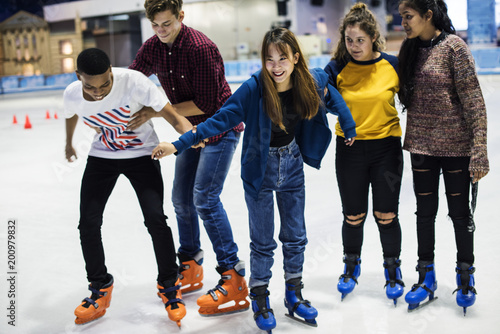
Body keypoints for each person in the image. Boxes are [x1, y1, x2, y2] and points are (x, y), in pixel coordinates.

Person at [151, 27, 357, 332]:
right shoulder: (255, 87)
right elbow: (220, 119)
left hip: (292, 165)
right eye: (269, 59)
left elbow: (331, 92)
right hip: (259, 171)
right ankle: (260, 297)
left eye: (282, 58)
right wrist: (178, 144)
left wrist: (348, 124)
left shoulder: (310, 78)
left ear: (295, 58)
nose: (276, 66)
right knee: (262, 242)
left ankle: (294, 294)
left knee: (295, 237)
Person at [128, 0, 248, 316]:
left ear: (181, 16)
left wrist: (155, 110)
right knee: (181, 200)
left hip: (220, 127)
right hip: (190, 132)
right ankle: (191, 263)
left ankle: (232, 275)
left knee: (205, 199)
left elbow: (208, 103)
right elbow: (134, 78)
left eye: (167, 24)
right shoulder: (153, 46)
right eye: (155, 25)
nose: (161, 31)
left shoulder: (200, 48)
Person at [64, 48, 192, 327]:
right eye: (90, 86)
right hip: (102, 158)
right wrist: (68, 143)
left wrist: (191, 134)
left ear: (112, 72)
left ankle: (170, 285)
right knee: (88, 223)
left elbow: (171, 115)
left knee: (156, 219)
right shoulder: (73, 92)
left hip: (143, 157)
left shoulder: (134, 82)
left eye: (105, 84)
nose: (98, 92)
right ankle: (99, 288)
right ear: (78, 78)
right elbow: (71, 113)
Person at [398, 0, 489, 314]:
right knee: (424, 214)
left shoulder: (455, 48)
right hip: (421, 148)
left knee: (460, 215)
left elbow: (475, 103)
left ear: (428, 15)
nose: (403, 23)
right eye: (401, 17)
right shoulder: (409, 51)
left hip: (456, 149)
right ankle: (426, 277)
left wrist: (479, 152)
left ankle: (465, 275)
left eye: (408, 17)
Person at [324, 3, 405, 305]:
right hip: (350, 149)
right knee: (353, 215)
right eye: (349, 40)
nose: (354, 46)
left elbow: (416, 99)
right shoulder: (336, 69)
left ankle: (393, 268)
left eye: (360, 40)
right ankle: (351, 264)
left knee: (386, 215)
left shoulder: (392, 65)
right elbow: (316, 99)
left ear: (373, 38)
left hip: (387, 149)